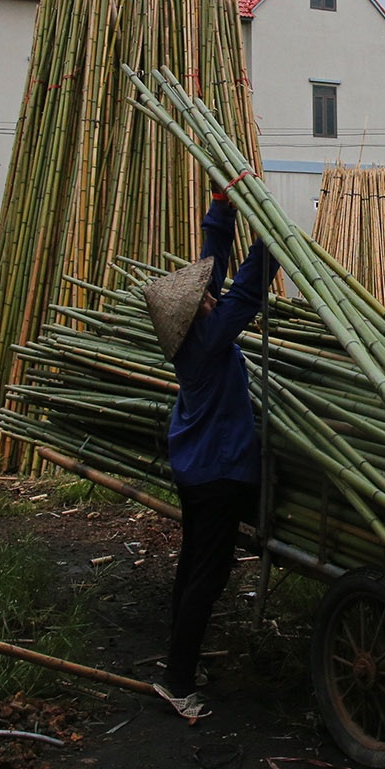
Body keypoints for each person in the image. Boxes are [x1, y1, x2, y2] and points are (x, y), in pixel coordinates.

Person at [140, 188, 279, 721]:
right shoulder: (208, 338)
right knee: (209, 573)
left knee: (194, 565)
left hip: (196, 470)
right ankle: (177, 680)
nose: (210, 294)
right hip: (219, 474)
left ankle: (181, 663)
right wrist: (270, 242)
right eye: (204, 297)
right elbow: (242, 294)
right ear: (196, 314)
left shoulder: (192, 334)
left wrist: (222, 211)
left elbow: (213, 271)